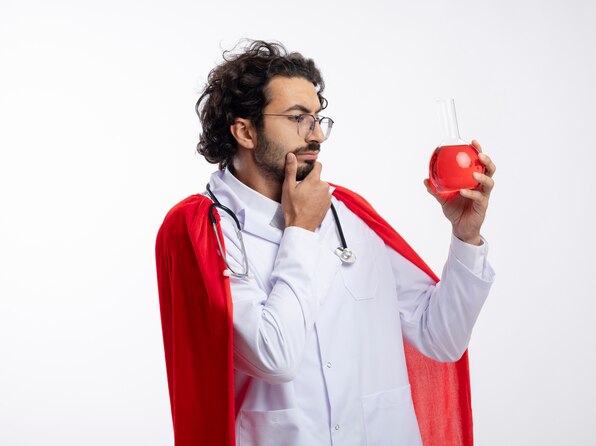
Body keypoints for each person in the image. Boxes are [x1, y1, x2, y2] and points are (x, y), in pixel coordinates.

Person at [156, 40, 496, 446]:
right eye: (299, 118)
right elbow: (273, 356)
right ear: (245, 130)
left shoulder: (350, 215)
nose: (317, 134)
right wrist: (300, 231)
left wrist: (466, 236)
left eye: (318, 118)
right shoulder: (201, 229)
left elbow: (440, 337)